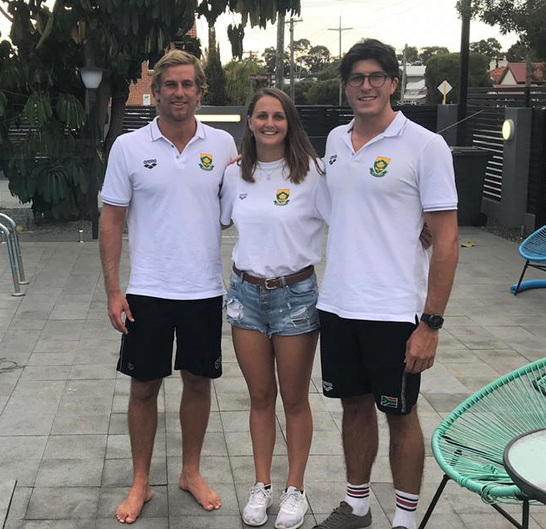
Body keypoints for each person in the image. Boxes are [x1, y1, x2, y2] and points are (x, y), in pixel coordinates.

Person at [313, 39, 459, 529]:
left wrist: (430, 323)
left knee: (400, 415)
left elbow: (447, 239)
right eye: (357, 77)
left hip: (395, 312)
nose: (367, 85)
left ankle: (405, 518)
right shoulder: (335, 141)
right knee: (353, 408)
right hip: (337, 305)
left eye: (377, 76)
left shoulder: (425, 145)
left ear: (394, 83)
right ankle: (356, 506)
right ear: (346, 86)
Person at [99, 49, 238, 524]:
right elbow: (111, 219)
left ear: (200, 91)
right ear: (154, 92)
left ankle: (190, 473)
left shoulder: (222, 146)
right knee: (144, 386)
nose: (180, 93)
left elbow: (253, 199)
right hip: (148, 291)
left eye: (188, 85)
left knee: (198, 383)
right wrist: (114, 290)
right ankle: (141, 482)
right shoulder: (128, 148)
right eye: (170, 85)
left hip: (204, 290)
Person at [219, 88, 327, 529]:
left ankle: (295, 489)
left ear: (289, 123)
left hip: (295, 297)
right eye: (261, 115)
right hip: (246, 295)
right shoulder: (233, 176)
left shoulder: (314, 173)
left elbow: (357, 212)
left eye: (278, 116)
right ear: (248, 122)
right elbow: (217, 218)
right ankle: (261, 485)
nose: (269, 123)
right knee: (260, 397)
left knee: (295, 399)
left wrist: (417, 225)